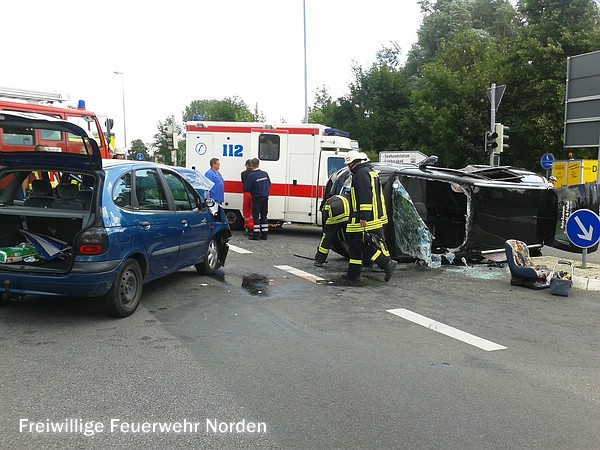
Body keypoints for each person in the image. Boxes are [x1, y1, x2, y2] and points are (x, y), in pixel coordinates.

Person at [344, 150, 397, 282]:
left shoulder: (360, 174)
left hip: (364, 218)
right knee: (354, 245)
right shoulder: (370, 172)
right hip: (373, 216)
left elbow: (365, 196)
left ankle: (386, 263)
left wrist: (363, 217)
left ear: (352, 164)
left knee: (359, 243)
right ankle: (353, 274)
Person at [314, 190, 350, 267]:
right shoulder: (342, 197)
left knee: (328, 237)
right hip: (349, 215)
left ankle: (319, 260)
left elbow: (325, 226)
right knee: (352, 237)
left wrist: (327, 231)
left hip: (338, 213)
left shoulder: (327, 204)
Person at [243, 158, 271, 240]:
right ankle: (264, 234)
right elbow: (269, 184)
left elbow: (246, 188)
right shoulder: (265, 174)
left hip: (256, 198)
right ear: (258, 164)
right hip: (265, 197)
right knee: (264, 215)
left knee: (255, 215)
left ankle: (256, 234)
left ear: (251, 165)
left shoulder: (252, 175)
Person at [240, 159, 254, 235]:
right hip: (254, 193)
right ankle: (251, 226)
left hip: (246, 193)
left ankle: (246, 226)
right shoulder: (255, 173)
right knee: (252, 211)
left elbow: (243, 182)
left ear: (247, 165)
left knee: (246, 210)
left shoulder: (243, 173)